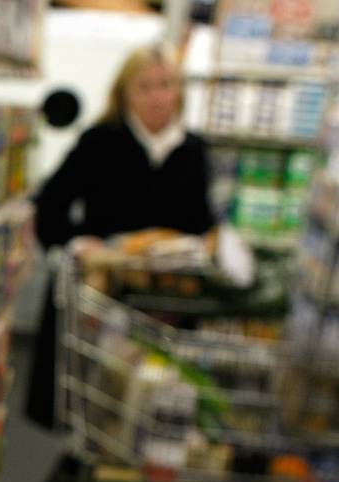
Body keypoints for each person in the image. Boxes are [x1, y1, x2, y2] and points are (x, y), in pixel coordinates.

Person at [26, 42, 215, 428]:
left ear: (179, 91)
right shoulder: (101, 140)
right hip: (102, 296)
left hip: (162, 300)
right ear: (125, 93)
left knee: (149, 406)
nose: (157, 97)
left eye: (165, 85)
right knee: (93, 407)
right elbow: (50, 203)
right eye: (144, 87)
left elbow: (201, 221)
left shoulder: (194, 150)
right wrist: (79, 243)